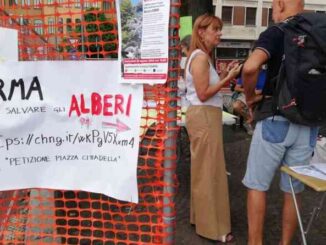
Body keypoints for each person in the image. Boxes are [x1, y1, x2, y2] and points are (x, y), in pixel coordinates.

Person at [241, 0, 318, 244]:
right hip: (308, 125)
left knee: (257, 185)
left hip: (276, 119)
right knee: (292, 192)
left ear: (280, 4)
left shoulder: (277, 32)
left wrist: (250, 97)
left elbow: (251, 67)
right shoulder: (317, 34)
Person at [184, 13, 241, 242]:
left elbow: (204, 91)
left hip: (203, 115)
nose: (219, 33)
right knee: (210, 171)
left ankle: (201, 219)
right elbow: (203, 94)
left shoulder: (199, 56)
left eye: (220, 29)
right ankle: (213, 228)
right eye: (215, 29)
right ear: (201, 32)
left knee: (204, 170)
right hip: (204, 116)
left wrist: (225, 75)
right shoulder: (199, 58)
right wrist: (229, 79)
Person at [232, 69, 266, 135]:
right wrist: (249, 90)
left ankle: (251, 123)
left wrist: (260, 91)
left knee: (256, 106)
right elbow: (236, 88)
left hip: (261, 95)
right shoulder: (246, 72)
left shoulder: (266, 73)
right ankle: (250, 119)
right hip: (247, 94)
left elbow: (271, 88)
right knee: (236, 106)